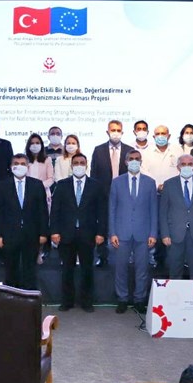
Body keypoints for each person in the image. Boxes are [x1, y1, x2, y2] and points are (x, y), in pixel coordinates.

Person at [50, 153, 106, 312]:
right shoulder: (62, 185)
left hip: (88, 234)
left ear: (86, 165)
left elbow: (102, 211)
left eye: (82, 162)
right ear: (71, 165)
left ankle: (87, 302)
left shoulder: (96, 185)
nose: (79, 165)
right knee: (67, 270)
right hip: (66, 234)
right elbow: (55, 210)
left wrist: (101, 233)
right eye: (76, 163)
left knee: (87, 269)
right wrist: (54, 231)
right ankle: (67, 301)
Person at [108, 150, 157, 314]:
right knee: (120, 269)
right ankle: (122, 299)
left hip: (143, 233)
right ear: (126, 162)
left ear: (141, 161)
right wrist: (112, 233)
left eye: (137, 159)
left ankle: (139, 300)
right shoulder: (117, 182)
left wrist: (153, 233)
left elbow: (154, 210)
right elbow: (112, 209)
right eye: (131, 159)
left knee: (142, 269)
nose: (134, 161)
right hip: (121, 233)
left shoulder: (150, 182)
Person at [0, 154, 49, 290]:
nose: (19, 166)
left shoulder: (37, 185)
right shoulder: (2, 186)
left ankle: (29, 297)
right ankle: (12, 297)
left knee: (30, 270)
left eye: (23, 164)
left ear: (28, 166)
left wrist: (43, 233)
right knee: (10, 270)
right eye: (16, 163)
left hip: (32, 234)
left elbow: (43, 211)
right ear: (11, 166)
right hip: (9, 234)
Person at [158, 154, 193, 279]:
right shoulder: (169, 184)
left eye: (190, 164)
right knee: (174, 270)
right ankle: (175, 292)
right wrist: (165, 234)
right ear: (178, 167)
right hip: (174, 234)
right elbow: (163, 212)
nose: (187, 167)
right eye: (183, 164)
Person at [90, 120, 133, 268]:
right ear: (107, 132)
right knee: (103, 223)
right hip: (103, 193)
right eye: (113, 130)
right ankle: (102, 256)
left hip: (124, 194)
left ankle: (126, 254)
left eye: (118, 130)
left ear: (122, 132)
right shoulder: (98, 150)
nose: (115, 133)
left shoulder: (129, 150)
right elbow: (94, 174)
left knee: (124, 223)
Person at [145, 125, 181, 191]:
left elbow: (181, 170)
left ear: (169, 136)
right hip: (152, 190)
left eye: (163, 133)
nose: (160, 136)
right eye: (157, 134)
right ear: (154, 137)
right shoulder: (146, 152)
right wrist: (157, 186)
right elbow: (144, 172)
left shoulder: (178, 150)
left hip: (174, 189)